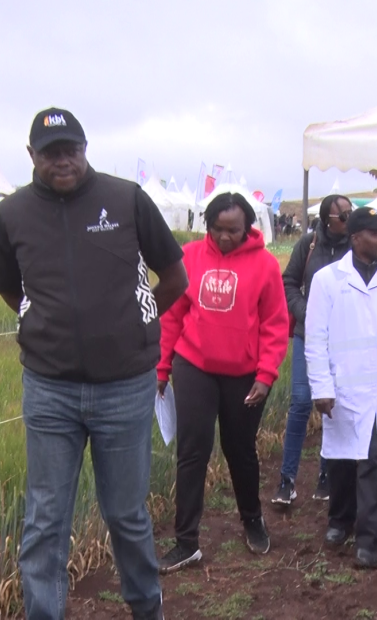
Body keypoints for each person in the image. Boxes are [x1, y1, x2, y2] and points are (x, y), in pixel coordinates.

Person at [0, 108, 188, 620]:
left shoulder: (125, 198)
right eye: (50, 153)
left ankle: (148, 611)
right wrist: (40, 317)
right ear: (31, 157)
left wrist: (138, 320)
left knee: (127, 516)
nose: (63, 161)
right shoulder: (11, 213)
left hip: (125, 387)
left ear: (85, 148)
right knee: (44, 521)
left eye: (71, 150)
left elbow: (174, 277)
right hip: (48, 389)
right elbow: (10, 284)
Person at [156, 192, 288, 572]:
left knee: (239, 449)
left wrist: (266, 376)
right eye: (218, 229)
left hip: (244, 374)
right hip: (194, 366)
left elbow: (275, 325)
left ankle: (252, 520)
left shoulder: (264, 265)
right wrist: (163, 367)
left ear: (248, 227)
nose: (225, 237)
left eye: (234, 230)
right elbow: (173, 315)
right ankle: (186, 542)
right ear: (207, 226)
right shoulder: (192, 257)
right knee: (192, 451)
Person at [305, 207, 377, 568]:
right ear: (356, 239)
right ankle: (340, 519)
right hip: (343, 390)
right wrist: (321, 385)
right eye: (376, 233)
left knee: (375, 462)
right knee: (341, 459)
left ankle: (369, 540)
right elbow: (316, 337)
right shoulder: (328, 280)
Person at [272, 194, 353, 505]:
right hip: (308, 335)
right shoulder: (307, 245)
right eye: (342, 216)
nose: (348, 220)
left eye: (350, 214)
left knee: (334, 404)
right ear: (327, 220)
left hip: (343, 340)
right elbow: (289, 282)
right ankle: (287, 479)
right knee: (301, 402)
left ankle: (326, 473)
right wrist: (307, 311)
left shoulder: (354, 246)